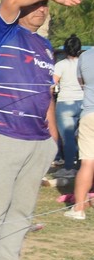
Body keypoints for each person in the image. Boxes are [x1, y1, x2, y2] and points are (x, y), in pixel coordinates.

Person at [0, 0, 84, 260]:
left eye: (45, 6)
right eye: (36, 4)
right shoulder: (2, 33)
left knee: (22, 209)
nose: (43, 9)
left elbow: (47, 93)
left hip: (37, 139)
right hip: (3, 132)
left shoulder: (46, 46)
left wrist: (51, 138)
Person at [68, 40, 94, 220]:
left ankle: (78, 208)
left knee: (87, 162)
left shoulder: (85, 56)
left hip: (90, 112)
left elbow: (82, 84)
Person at [53, 36, 83, 170]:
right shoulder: (85, 64)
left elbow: (52, 83)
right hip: (84, 102)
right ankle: (84, 165)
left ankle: (70, 167)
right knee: (85, 137)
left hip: (65, 102)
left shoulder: (60, 65)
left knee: (68, 139)